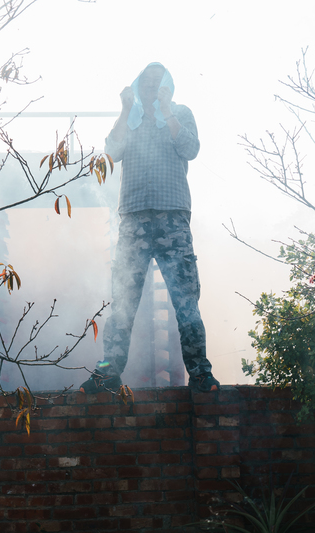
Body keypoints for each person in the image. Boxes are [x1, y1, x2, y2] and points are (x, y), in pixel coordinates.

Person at [80, 62, 220, 393]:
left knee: (186, 303)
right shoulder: (131, 119)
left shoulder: (181, 113)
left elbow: (191, 149)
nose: (152, 89)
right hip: (134, 220)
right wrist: (125, 110)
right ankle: (107, 373)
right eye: (147, 83)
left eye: (159, 84)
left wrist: (168, 111)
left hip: (173, 218)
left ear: (168, 88)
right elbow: (111, 153)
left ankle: (201, 375)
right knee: (122, 304)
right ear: (137, 86)